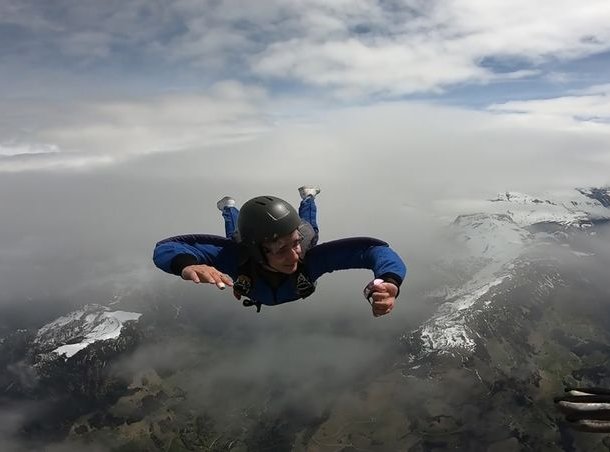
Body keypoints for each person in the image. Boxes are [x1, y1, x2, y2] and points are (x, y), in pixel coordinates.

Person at [153, 187, 406, 316]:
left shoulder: (309, 258)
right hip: (246, 246)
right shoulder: (236, 255)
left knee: (309, 231)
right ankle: (228, 207)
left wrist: (390, 281)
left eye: (294, 243)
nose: (295, 256)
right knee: (236, 236)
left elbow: (373, 250)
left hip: (270, 252)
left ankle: (308, 197)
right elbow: (166, 249)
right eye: (280, 249)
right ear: (257, 251)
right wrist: (187, 264)